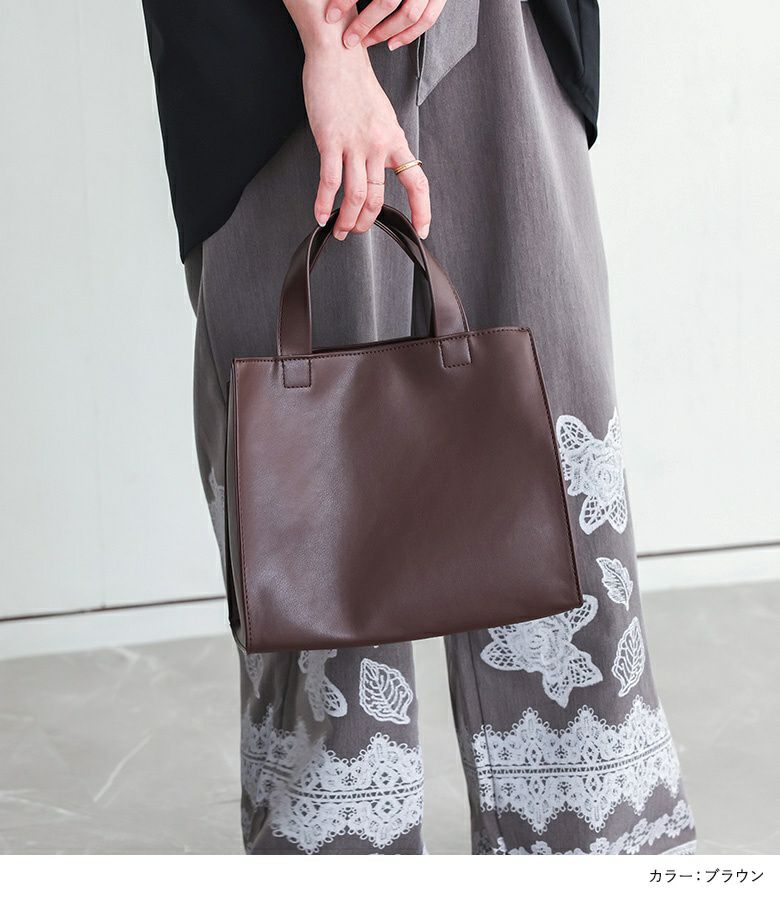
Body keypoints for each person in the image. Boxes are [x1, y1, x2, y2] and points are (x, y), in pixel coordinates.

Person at [141, 0, 698, 855]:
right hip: (270, 36)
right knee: (312, 474)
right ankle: (341, 834)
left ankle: (584, 823)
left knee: (552, 423)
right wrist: (327, 45)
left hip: (501, 22)